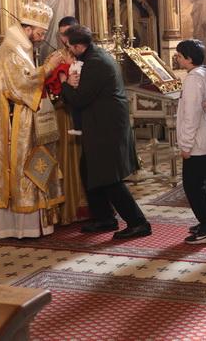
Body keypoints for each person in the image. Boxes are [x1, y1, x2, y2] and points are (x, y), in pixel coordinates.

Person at [0, 2, 65, 238]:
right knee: (23, 167)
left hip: (25, 118)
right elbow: (21, 85)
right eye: (40, 32)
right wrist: (48, 68)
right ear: (28, 28)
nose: (42, 37)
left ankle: (35, 224)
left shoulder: (21, 47)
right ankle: (20, 227)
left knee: (35, 162)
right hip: (15, 121)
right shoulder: (11, 50)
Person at [61, 25, 151, 239]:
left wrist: (65, 83)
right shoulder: (94, 56)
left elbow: (80, 99)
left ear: (79, 46)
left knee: (110, 178)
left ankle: (138, 223)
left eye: (70, 47)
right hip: (101, 124)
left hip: (107, 127)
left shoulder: (96, 63)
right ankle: (104, 218)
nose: (69, 51)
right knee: (88, 170)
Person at [175, 39, 206, 244]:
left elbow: (191, 115)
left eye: (179, 55)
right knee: (204, 183)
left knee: (193, 185)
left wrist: (185, 144)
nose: (177, 59)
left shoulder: (193, 79)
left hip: (197, 141)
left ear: (189, 58)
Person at [49, 16, 87, 225]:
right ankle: (69, 208)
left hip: (86, 113)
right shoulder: (54, 58)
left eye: (69, 33)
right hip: (64, 115)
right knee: (67, 158)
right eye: (62, 35)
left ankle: (91, 206)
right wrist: (62, 85)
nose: (66, 39)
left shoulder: (87, 55)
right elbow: (47, 90)